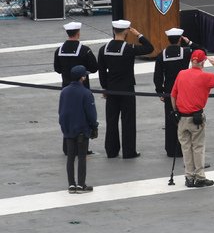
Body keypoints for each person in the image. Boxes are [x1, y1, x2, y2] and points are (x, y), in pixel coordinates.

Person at [170, 49, 214, 188]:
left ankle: (189, 177)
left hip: (181, 118)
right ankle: (200, 177)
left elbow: (173, 95)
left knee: (186, 148)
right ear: (203, 62)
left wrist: (175, 112)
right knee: (198, 147)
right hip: (196, 119)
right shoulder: (205, 77)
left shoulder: (181, 74)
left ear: (191, 61)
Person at [97, 19, 153, 159]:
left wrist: (104, 88)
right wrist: (139, 35)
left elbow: (102, 72)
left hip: (111, 89)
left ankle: (111, 150)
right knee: (128, 120)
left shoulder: (103, 49)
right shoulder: (128, 48)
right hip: (126, 89)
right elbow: (149, 48)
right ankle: (129, 151)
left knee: (111, 120)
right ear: (126, 31)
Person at [153, 27, 200, 158]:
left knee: (171, 120)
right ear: (180, 39)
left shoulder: (162, 55)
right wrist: (189, 42)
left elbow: (157, 75)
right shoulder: (186, 52)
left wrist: (160, 91)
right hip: (184, 90)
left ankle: (171, 149)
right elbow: (201, 51)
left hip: (169, 92)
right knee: (185, 119)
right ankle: (183, 148)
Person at [59, 65, 98, 193]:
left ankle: (71, 184)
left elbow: (61, 111)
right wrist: (94, 126)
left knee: (70, 157)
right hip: (82, 129)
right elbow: (91, 113)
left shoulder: (64, 91)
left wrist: (64, 127)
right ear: (82, 77)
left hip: (68, 129)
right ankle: (81, 185)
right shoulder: (86, 93)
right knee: (82, 157)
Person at [54, 21, 98, 88]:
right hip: (83, 87)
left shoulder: (59, 50)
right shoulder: (85, 50)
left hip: (66, 87)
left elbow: (57, 69)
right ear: (78, 33)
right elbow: (94, 68)